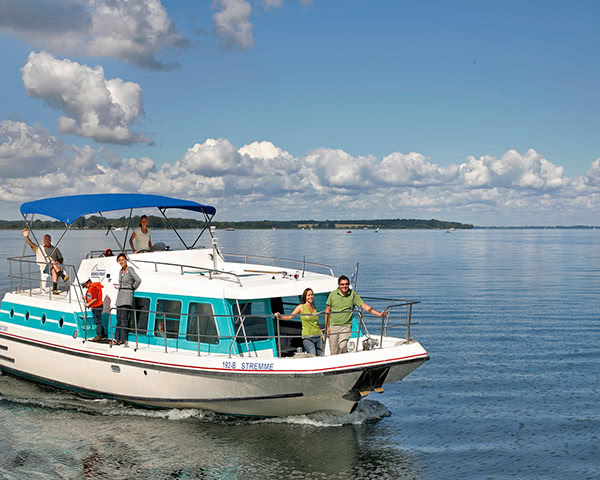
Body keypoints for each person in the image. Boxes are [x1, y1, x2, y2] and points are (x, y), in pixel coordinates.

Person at [325, 275, 385, 355]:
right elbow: (327, 311)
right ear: (339, 285)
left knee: (342, 345)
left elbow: (364, 306)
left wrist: (379, 314)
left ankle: (344, 361)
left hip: (346, 326)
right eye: (342, 284)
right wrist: (327, 327)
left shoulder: (353, 295)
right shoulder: (332, 294)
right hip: (333, 326)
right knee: (334, 351)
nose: (344, 286)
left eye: (346, 284)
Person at [275, 288, 324, 356]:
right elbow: (289, 317)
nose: (310, 296)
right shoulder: (301, 307)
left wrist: (322, 334)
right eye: (308, 295)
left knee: (321, 356)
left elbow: (316, 322)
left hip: (318, 336)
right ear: (305, 297)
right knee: (312, 356)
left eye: (312, 295)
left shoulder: (314, 307)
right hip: (308, 337)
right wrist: (279, 316)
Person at [23, 228, 69, 294]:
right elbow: (30, 243)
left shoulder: (55, 249)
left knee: (54, 271)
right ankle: (63, 275)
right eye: (45, 239)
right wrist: (26, 237)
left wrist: (58, 262)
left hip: (54, 268)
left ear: (51, 240)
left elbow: (61, 259)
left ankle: (54, 289)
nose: (47, 241)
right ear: (43, 240)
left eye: (48, 239)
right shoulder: (39, 248)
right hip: (45, 268)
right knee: (52, 261)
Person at [114, 253, 141, 345]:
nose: (121, 261)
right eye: (120, 260)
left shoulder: (130, 270)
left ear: (126, 260)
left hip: (127, 296)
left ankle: (123, 339)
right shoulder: (120, 271)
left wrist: (132, 288)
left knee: (124, 319)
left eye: (122, 259)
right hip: (120, 296)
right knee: (119, 318)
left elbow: (138, 280)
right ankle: (117, 338)